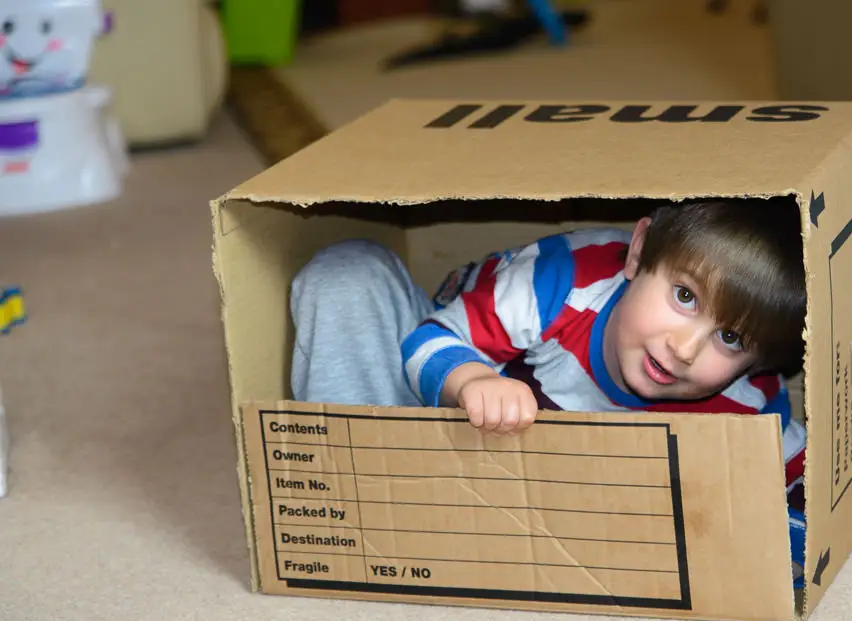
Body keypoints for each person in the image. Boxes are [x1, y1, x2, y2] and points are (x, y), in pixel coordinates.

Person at [289, 197, 808, 587]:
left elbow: (796, 471)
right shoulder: (559, 281)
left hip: (534, 495)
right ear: (638, 253)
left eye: (731, 338)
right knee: (347, 271)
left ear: (761, 361)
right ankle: (352, 492)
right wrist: (473, 381)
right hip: (455, 375)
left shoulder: (747, 398)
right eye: (685, 296)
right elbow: (430, 341)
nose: (685, 348)